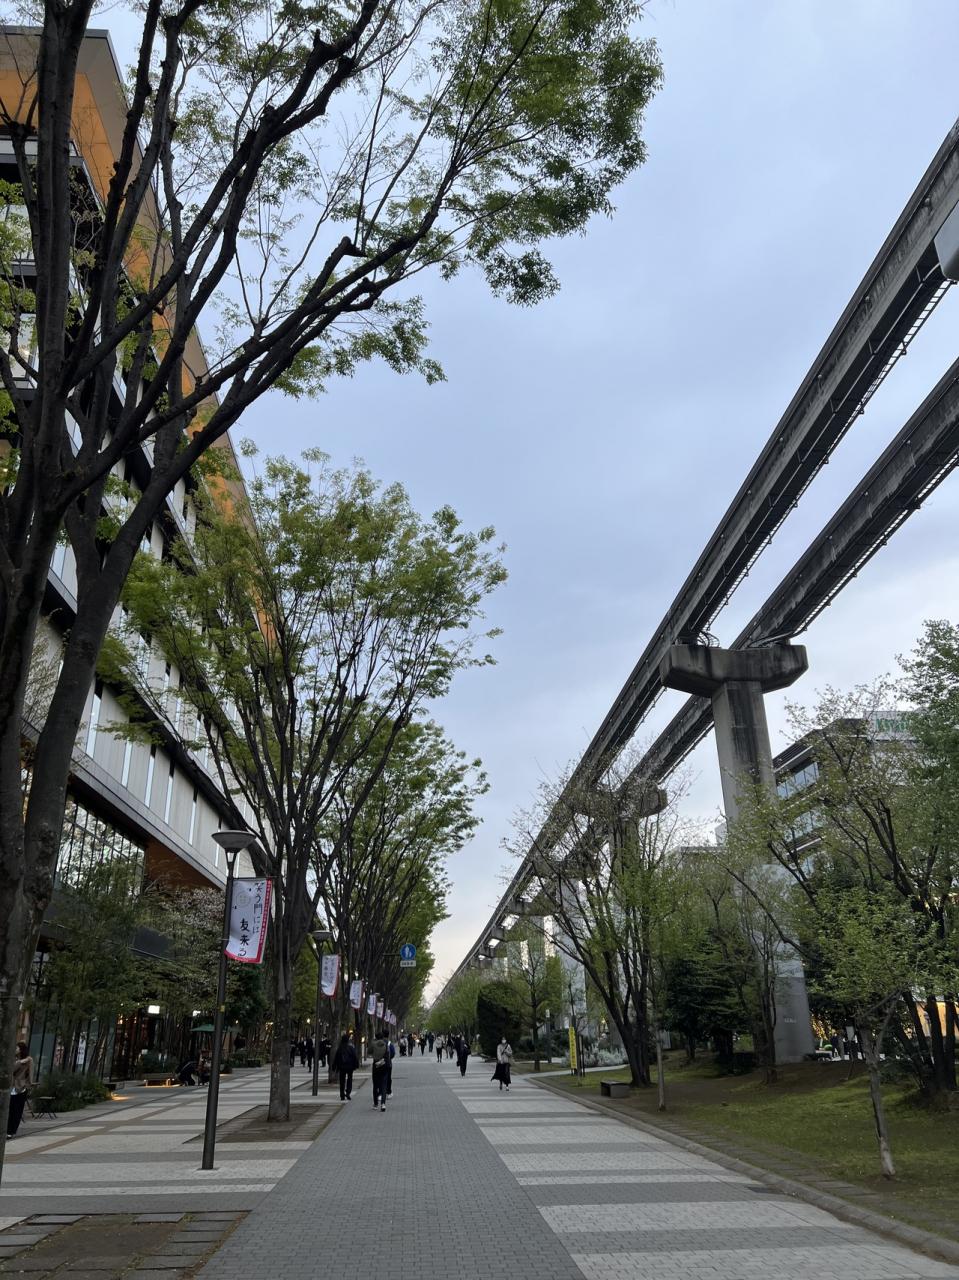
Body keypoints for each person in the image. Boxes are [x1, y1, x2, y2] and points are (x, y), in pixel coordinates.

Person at [7, 1042, 34, 1138]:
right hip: (11, 1087)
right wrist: (20, 1062)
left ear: (21, 1049)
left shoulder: (29, 1060)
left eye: (17, 1048)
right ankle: (7, 1129)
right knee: (9, 1110)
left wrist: (27, 1085)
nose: (15, 1049)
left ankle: (11, 1131)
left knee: (17, 1111)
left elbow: (30, 1074)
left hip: (21, 1088)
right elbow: (11, 1069)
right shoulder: (14, 1059)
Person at [332, 1033, 358, 1101]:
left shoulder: (340, 1048)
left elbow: (336, 1058)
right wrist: (356, 1065)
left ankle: (342, 1095)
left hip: (342, 1067)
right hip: (350, 1066)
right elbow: (355, 1057)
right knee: (349, 1079)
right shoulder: (351, 1048)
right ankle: (348, 1092)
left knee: (342, 1081)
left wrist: (334, 1066)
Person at [371, 1033, 390, 1111]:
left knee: (375, 1085)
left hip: (376, 1066)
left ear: (376, 1037)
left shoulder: (373, 1044)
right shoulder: (386, 1045)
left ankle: (375, 1104)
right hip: (384, 1066)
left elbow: (369, 1052)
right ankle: (383, 1104)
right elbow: (388, 1055)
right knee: (384, 1085)